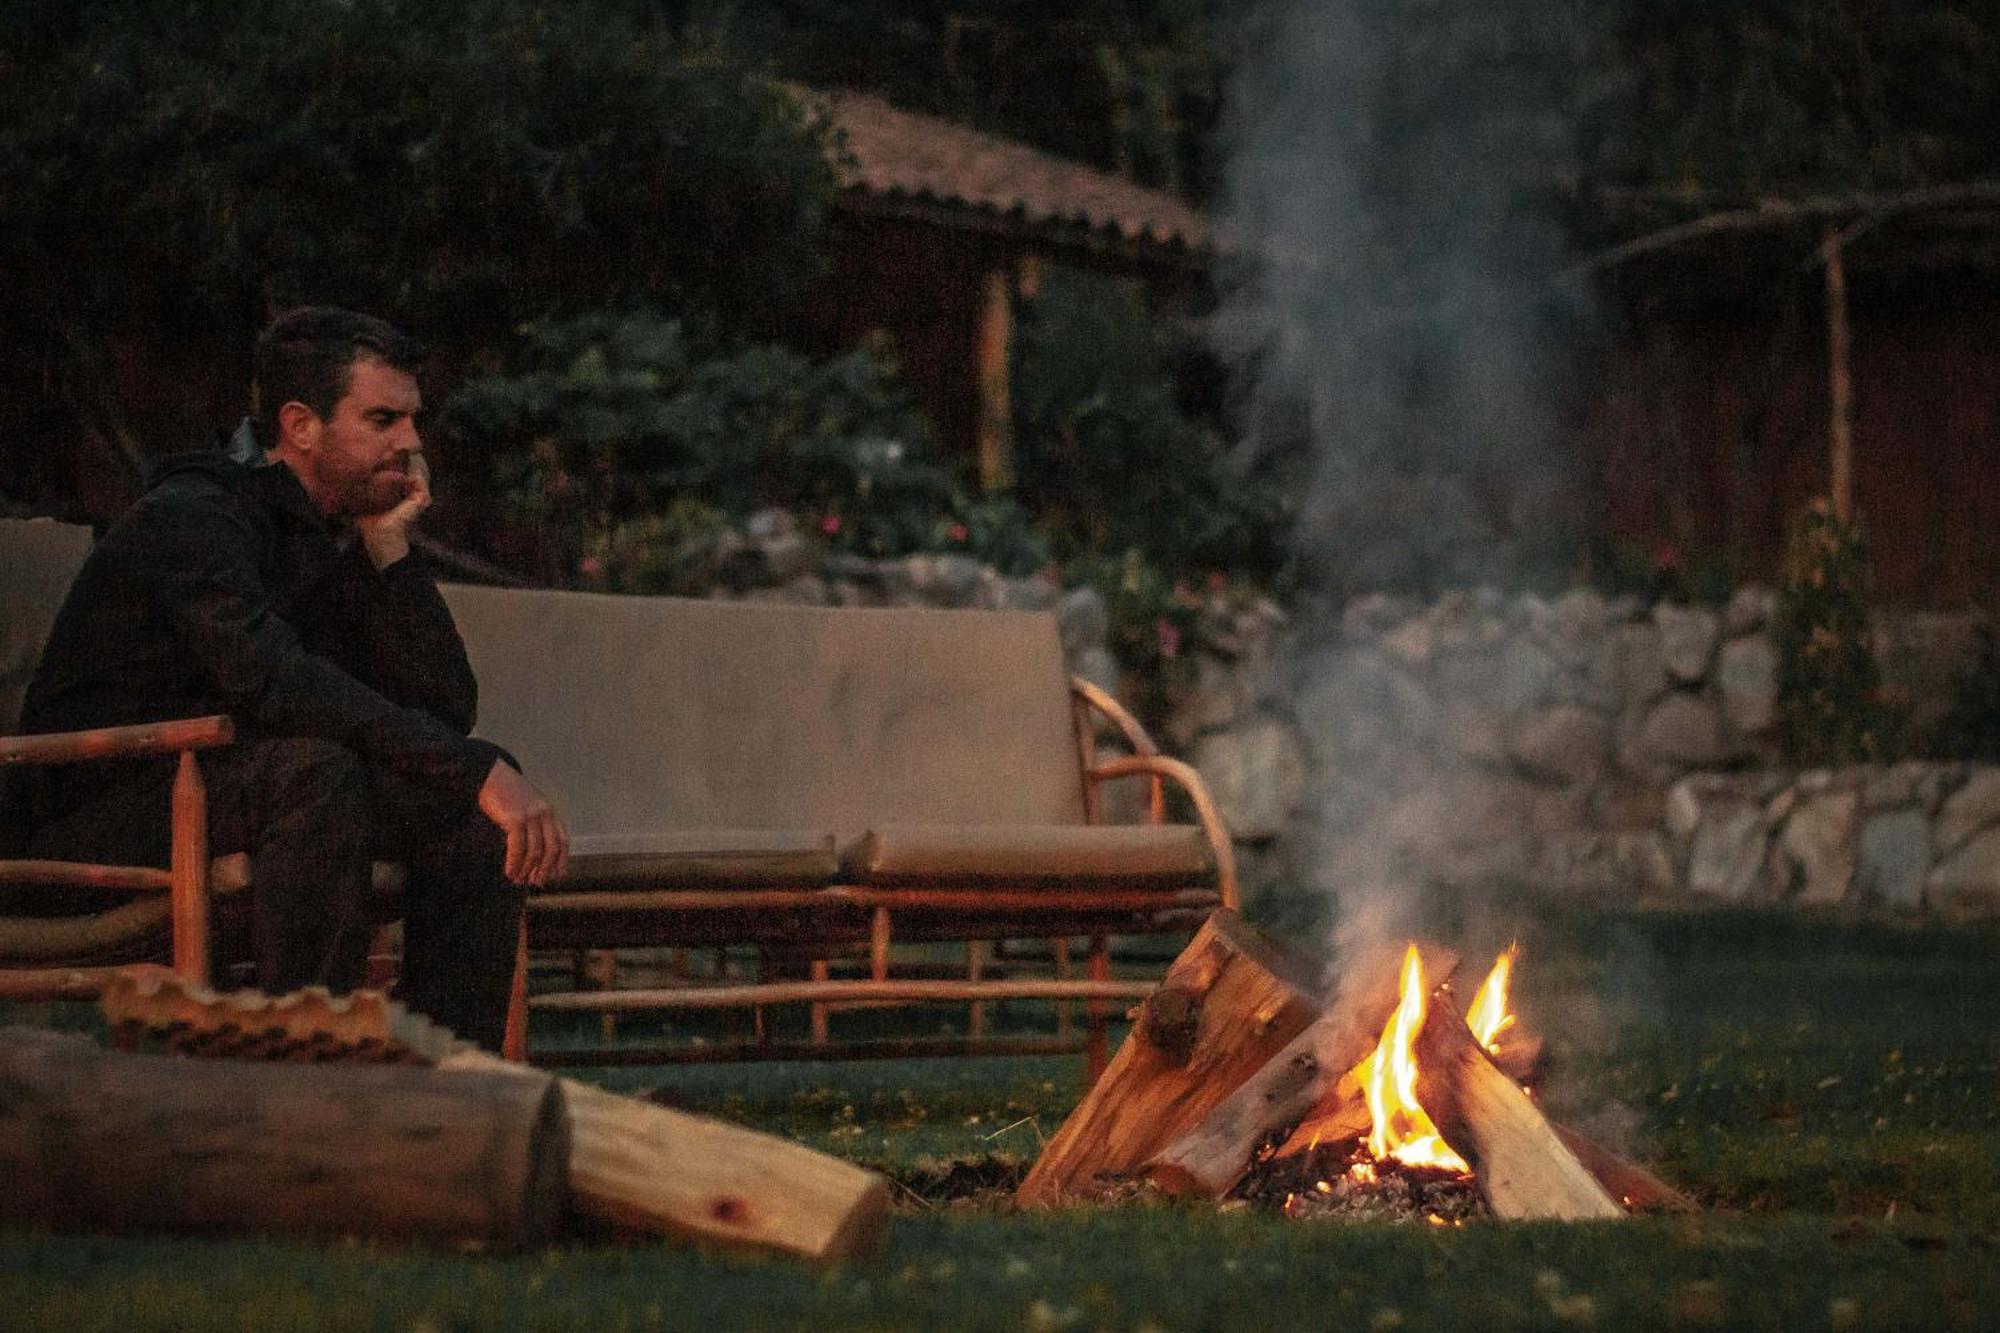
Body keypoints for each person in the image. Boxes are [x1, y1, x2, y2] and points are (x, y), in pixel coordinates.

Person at [20, 307, 566, 1050]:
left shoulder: (314, 537)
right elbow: (273, 682)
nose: (411, 441)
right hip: (93, 813)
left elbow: (442, 707)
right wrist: (469, 766)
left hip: (243, 791)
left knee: (469, 812)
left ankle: (445, 1086)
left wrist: (388, 548)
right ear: (301, 425)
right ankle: (305, 1075)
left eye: (412, 419)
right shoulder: (194, 516)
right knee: (319, 773)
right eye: (383, 419)